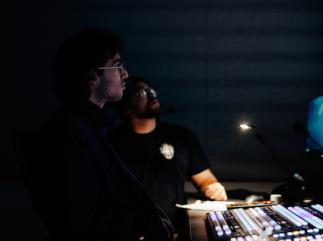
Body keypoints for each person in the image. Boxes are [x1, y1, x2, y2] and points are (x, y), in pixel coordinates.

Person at [26, 30, 173, 241]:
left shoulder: (90, 126)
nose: (125, 74)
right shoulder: (70, 132)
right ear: (91, 76)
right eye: (117, 65)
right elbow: (82, 219)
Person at [108, 75, 227, 232]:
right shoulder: (112, 141)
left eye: (151, 89)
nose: (151, 94)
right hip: (130, 231)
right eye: (141, 92)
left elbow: (205, 178)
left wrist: (213, 188)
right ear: (126, 108)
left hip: (175, 230)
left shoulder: (181, 136)